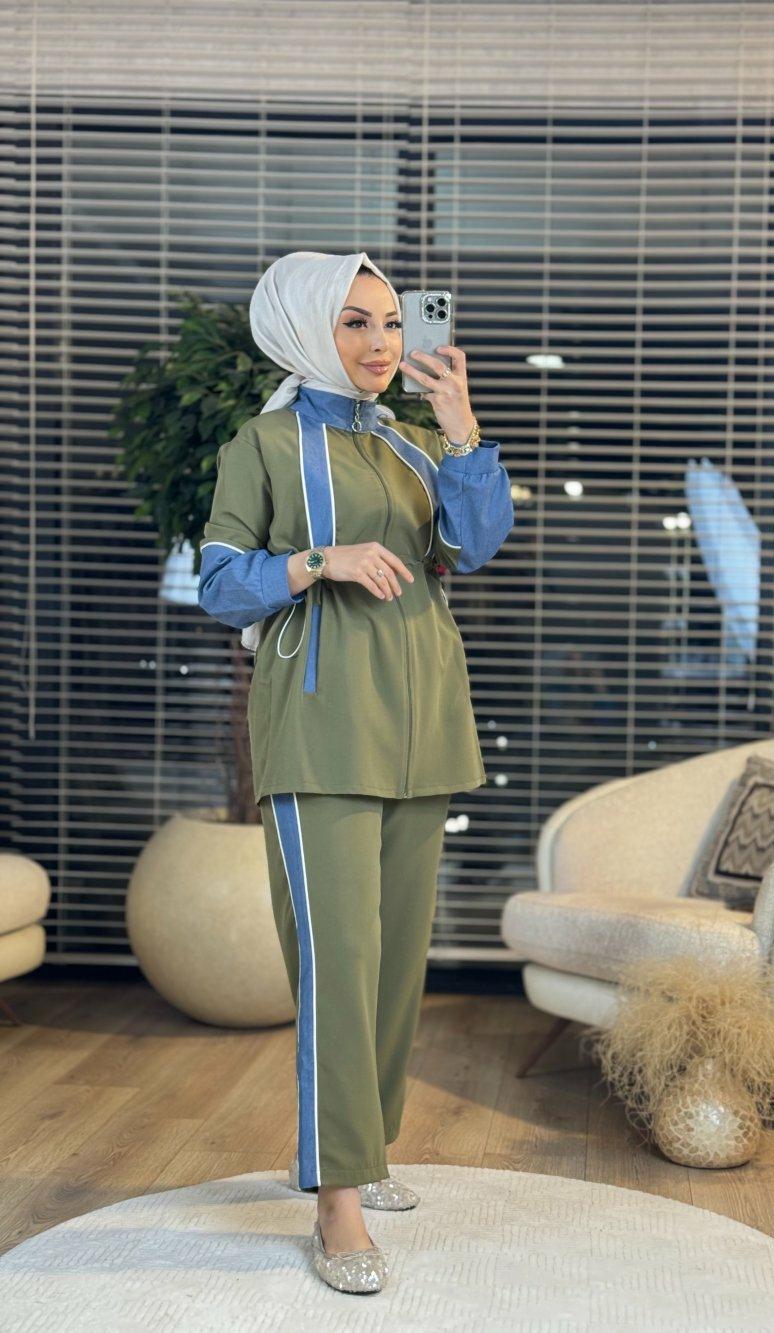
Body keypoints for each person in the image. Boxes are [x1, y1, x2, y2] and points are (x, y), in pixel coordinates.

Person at [196, 250, 514, 1294]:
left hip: (424, 719)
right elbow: (218, 581)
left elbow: (477, 544)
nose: (381, 342)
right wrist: (315, 562)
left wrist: (461, 427)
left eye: (389, 321)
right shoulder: (263, 443)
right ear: (302, 328)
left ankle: (366, 1148)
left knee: (394, 957)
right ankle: (336, 1193)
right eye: (353, 322)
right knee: (337, 960)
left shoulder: (412, 442)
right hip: (322, 721)